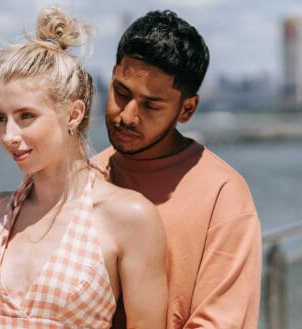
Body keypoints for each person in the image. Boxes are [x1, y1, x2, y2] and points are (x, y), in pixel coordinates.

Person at [0, 6, 167, 329]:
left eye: (26, 116)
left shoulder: (129, 217)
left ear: (73, 115)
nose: (9, 136)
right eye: (1, 118)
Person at [90, 10, 262, 329]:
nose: (127, 115)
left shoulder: (223, 194)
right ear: (112, 74)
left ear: (187, 109)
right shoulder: (83, 179)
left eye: (151, 105)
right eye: (121, 92)